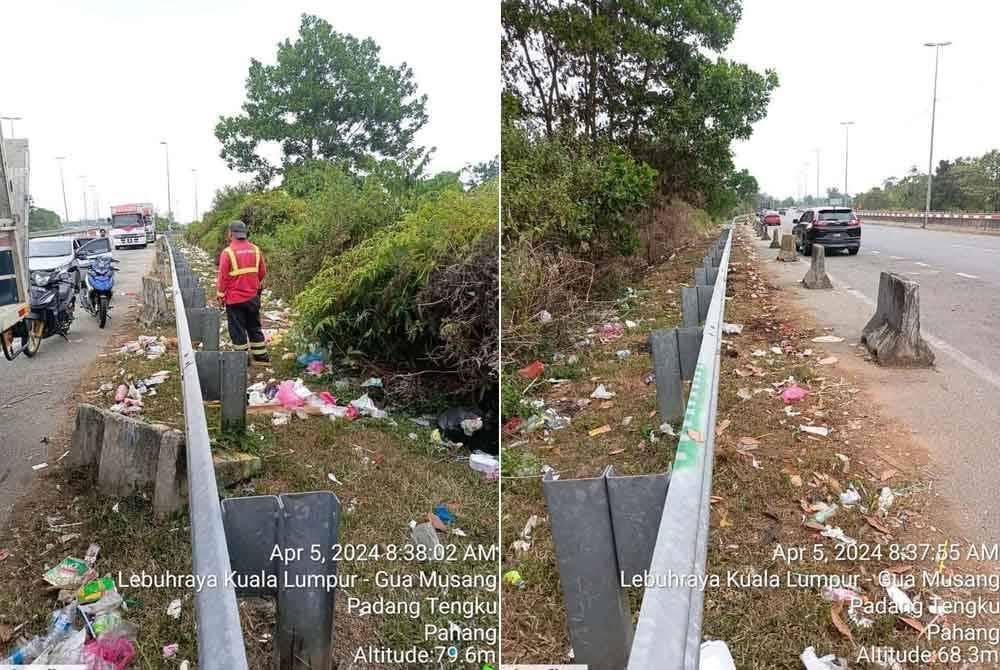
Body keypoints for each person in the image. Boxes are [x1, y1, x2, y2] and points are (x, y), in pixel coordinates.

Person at [216, 220, 270, 366]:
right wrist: (251, 284)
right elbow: (262, 272)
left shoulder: (228, 252)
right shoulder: (256, 249)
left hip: (234, 300)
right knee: (254, 326)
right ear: (244, 233)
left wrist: (221, 295)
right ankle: (261, 356)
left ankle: (242, 360)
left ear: (230, 234)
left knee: (238, 330)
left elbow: (223, 277)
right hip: (253, 297)